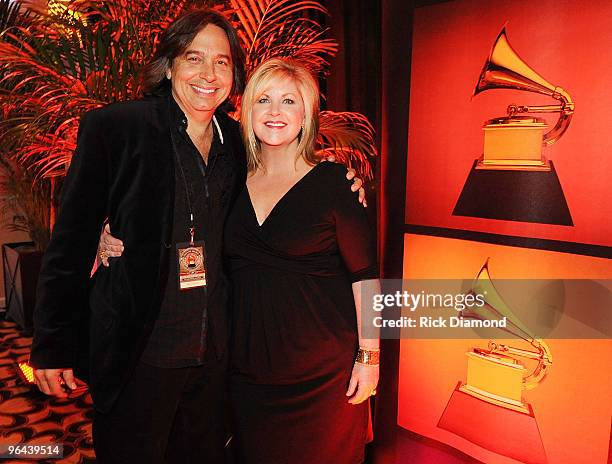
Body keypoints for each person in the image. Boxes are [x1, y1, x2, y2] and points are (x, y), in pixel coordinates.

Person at [30, 8, 364, 464]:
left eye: (222, 62)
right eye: (194, 58)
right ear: (169, 66)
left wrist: (342, 181)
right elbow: (68, 244)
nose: (209, 74)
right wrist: (52, 346)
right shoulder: (116, 128)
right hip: (141, 352)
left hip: (216, 361)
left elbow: (287, 180)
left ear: (234, 76)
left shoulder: (238, 141)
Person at [225, 58, 380, 464]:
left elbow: (366, 279)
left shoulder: (334, 183)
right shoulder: (225, 184)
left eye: (289, 101)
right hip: (248, 373)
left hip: (322, 379)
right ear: (247, 112)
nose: (275, 112)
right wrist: (109, 229)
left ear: (307, 114)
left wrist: (370, 358)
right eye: (264, 100)